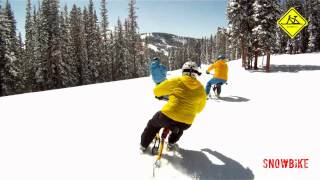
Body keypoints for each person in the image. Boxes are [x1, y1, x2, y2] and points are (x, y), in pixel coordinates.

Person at [140, 61, 207, 153]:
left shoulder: (177, 80)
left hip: (167, 115)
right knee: (179, 128)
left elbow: (157, 91)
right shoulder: (201, 89)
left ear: (183, 71)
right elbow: (199, 109)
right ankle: (171, 143)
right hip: (187, 122)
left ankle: (143, 145)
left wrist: (164, 94)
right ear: (196, 73)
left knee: (153, 124)